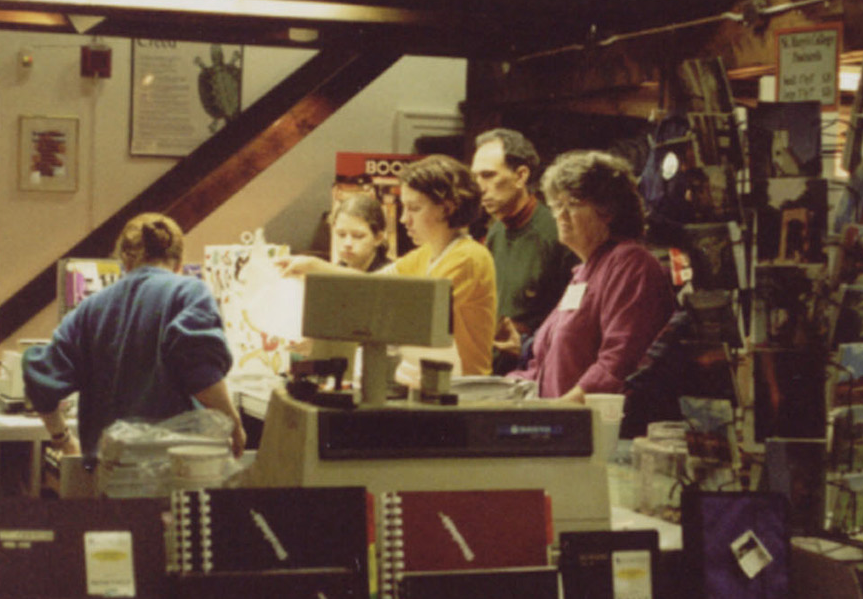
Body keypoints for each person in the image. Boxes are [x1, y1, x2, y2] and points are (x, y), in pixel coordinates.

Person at [23, 212, 245, 460]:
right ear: (179, 262)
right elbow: (201, 373)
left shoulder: (89, 309)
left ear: (124, 262)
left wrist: (63, 439)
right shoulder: (190, 292)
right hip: (172, 467)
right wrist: (234, 422)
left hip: (107, 468)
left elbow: (39, 378)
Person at [284, 155, 497, 377]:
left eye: (414, 208)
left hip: (464, 390)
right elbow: (374, 285)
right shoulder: (426, 253)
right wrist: (313, 267)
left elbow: (405, 316)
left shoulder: (469, 257)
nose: (405, 219)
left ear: (447, 208)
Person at [513, 150, 675, 401]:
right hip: (562, 425)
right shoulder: (583, 271)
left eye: (573, 205)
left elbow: (618, 362)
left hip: (594, 428)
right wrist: (499, 389)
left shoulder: (630, 263)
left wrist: (561, 411)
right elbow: (542, 365)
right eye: (557, 206)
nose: (561, 216)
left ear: (608, 211)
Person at [471, 128, 577, 370]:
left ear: (520, 176)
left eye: (488, 176)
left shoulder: (558, 232)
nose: (480, 188)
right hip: (494, 369)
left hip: (536, 369)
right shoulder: (497, 232)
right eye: (476, 177)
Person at [328, 190, 393, 272]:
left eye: (358, 236)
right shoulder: (335, 272)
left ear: (378, 238)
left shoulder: (392, 275)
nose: (347, 243)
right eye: (341, 235)